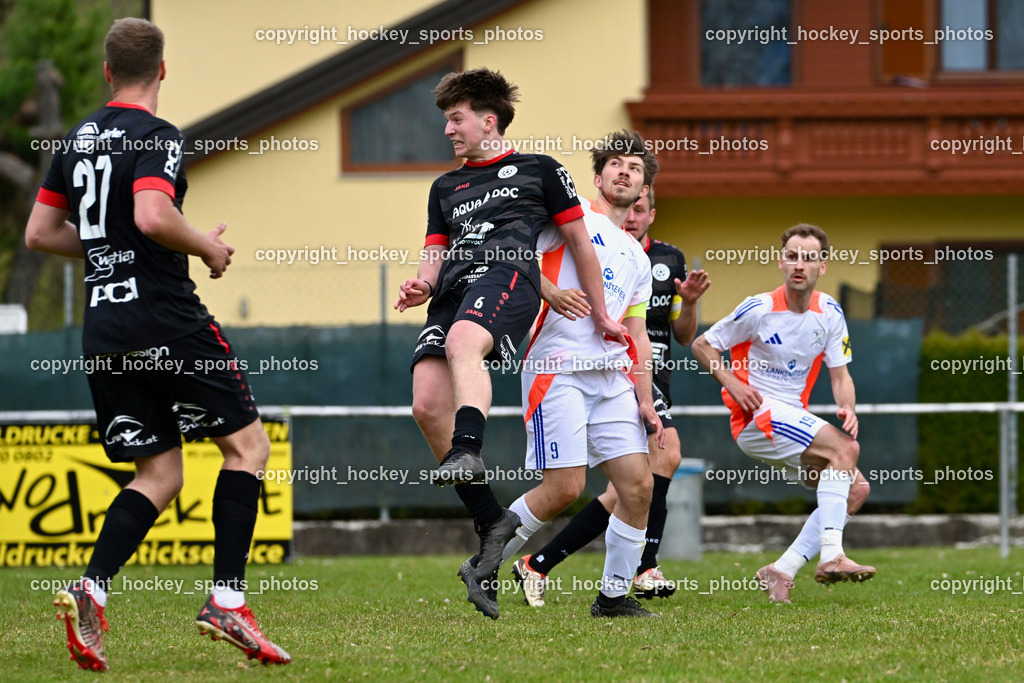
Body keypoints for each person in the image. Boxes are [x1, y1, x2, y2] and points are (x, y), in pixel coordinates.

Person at [25, 18, 289, 669]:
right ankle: (226, 598)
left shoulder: (78, 136)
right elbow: (150, 212)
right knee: (249, 446)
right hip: (165, 318)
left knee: (160, 471)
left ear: (108, 71)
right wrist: (207, 244)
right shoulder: (157, 135)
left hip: (104, 327)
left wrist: (104, 253)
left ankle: (92, 586)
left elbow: (37, 233)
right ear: (162, 71)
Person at [393, 68, 625, 616]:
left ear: (488, 120)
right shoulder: (444, 187)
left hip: (509, 278)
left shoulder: (539, 170)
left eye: (456, 119)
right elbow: (434, 249)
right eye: (447, 120)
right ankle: (490, 519)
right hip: (452, 290)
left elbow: (580, 244)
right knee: (426, 405)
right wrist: (422, 282)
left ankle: (468, 449)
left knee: (465, 343)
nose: (449, 130)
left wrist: (604, 314)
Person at [492, 129, 664, 619]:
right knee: (564, 489)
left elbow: (637, 333)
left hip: (612, 381)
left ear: (643, 191)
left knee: (639, 486)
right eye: (616, 164)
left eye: (635, 168)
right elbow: (512, 251)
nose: (625, 171)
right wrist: (548, 291)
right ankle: (484, 563)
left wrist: (646, 400)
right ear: (599, 176)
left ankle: (612, 597)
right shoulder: (572, 216)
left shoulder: (637, 257)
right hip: (558, 370)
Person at [511, 189, 710, 606]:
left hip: (640, 371)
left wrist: (689, 303)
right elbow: (519, 251)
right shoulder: (579, 229)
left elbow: (683, 334)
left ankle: (574, 574)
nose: (634, 215)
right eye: (629, 207)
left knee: (635, 484)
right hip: (597, 365)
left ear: (652, 213)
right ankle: (642, 565)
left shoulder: (665, 259)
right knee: (635, 468)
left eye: (642, 208)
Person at [690, 224, 874, 604]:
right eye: (792, 256)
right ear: (781, 262)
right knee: (844, 450)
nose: (799, 264)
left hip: (790, 418)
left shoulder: (829, 312)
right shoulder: (758, 308)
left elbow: (840, 374)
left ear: (822, 266)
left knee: (856, 489)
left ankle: (782, 570)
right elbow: (702, 345)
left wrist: (848, 406)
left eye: (809, 257)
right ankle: (832, 556)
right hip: (754, 416)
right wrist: (732, 383)